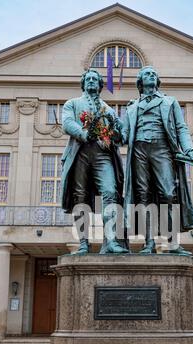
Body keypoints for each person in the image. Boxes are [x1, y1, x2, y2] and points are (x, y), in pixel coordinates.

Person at [122, 66, 193, 254]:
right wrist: (104, 132)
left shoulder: (169, 102)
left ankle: (173, 242)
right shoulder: (132, 107)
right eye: (147, 74)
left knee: (168, 194)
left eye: (154, 74)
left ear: (157, 81)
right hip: (139, 150)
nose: (151, 76)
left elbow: (181, 128)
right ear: (140, 82)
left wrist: (189, 150)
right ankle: (149, 243)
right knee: (143, 196)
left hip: (162, 149)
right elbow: (122, 135)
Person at [61, 68, 128, 254]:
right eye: (88, 79)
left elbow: (121, 135)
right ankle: (83, 243)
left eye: (95, 79)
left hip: (103, 155)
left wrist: (114, 135)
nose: (91, 81)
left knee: (110, 192)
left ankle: (111, 241)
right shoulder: (72, 104)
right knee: (80, 197)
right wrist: (85, 134)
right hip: (80, 153)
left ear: (100, 85)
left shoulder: (109, 110)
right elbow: (67, 123)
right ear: (83, 84)